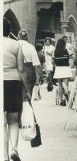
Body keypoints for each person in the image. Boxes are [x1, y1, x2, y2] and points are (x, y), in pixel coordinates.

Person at [3, 17, 24, 161]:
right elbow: (21, 69)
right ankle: (14, 150)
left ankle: (4, 156)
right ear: (9, 30)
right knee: (13, 120)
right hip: (13, 82)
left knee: (1, 123)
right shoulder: (16, 45)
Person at [18, 29, 42, 99]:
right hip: (28, 72)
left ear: (18, 36)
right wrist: (42, 76)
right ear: (27, 37)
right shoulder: (31, 47)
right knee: (27, 95)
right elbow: (37, 65)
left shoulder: (13, 45)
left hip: (15, 71)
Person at [53, 37, 73, 106]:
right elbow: (72, 56)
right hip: (65, 68)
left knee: (60, 85)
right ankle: (65, 98)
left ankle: (61, 100)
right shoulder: (66, 50)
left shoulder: (55, 51)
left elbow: (53, 61)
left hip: (58, 69)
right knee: (65, 84)